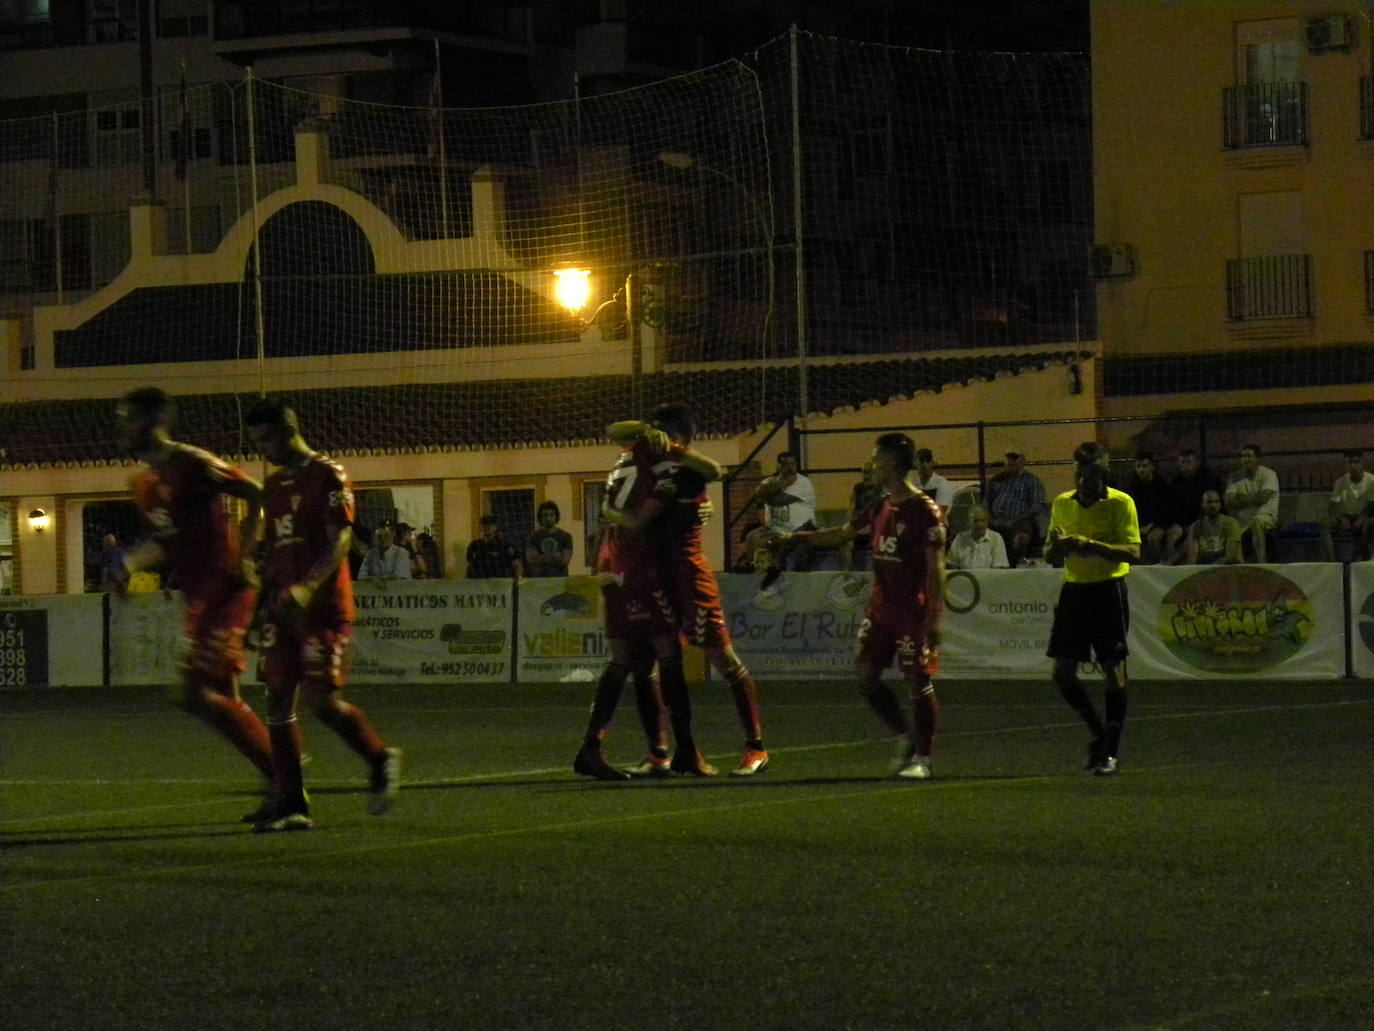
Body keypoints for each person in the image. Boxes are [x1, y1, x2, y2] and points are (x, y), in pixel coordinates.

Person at [244, 398, 400, 832]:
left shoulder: (327, 474)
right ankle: (293, 803)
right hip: (283, 609)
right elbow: (275, 552)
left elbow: (340, 541)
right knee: (276, 699)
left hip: (323, 609)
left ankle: (379, 756)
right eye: (256, 442)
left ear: (290, 428)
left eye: (267, 438)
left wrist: (309, 587)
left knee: (322, 702)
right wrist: (260, 609)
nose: (263, 449)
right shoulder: (273, 487)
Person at [114, 387, 274, 787]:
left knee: (191, 693)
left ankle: (285, 773)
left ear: (155, 422)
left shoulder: (193, 462)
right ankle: (282, 779)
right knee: (225, 695)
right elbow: (166, 541)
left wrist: (247, 552)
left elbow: (255, 493)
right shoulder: (144, 484)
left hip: (226, 592)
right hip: (199, 598)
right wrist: (129, 562)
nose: (122, 426)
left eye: (128, 418)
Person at [765, 432, 945, 778]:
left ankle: (924, 759)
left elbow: (937, 569)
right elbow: (843, 533)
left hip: (912, 610)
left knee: (917, 682)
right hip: (881, 608)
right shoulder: (879, 504)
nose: (871, 465)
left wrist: (934, 619)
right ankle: (905, 737)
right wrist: (793, 537)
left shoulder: (925, 511)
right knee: (864, 678)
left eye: (877, 459)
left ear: (892, 464)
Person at [605, 403, 769, 777]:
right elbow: (614, 429)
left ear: (679, 438)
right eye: (654, 431)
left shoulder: (687, 470)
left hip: (689, 575)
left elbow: (713, 471)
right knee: (650, 661)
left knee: (722, 658)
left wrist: (615, 515)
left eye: (664, 432)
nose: (656, 438)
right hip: (652, 574)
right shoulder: (645, 466)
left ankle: (756, 747)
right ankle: (662, 751)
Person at [1043, 441, 1140, 776]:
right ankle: (1099, 733)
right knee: (1062, 673)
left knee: (1114, 671)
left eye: (1099, 476)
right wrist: (1058, 547)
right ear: (1077, 475)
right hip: (1075, 591)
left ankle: (1111, 751)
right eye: (1086, 476)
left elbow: (1133, 552)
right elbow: (1049, 556)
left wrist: (1091, 545)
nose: (1092, 482)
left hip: (1108, 591)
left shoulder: (1121, 503)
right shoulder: (1062, 504)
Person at [749, 450, 818, 577]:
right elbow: (758, 492)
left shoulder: (803, 483)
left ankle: (791, 577)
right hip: (774, 530)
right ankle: (757, 576)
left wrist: (767, 494)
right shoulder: (770, 480)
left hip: (798, 530)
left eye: (792, 464)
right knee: (751, 537)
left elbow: (777, 501)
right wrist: (784, 483)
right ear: (779, 466)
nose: (790, 468)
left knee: (794, 545)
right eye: (785, 464)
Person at [984, 451, 1047, 567]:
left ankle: (1017, 564)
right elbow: (986, 503)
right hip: (996, 521)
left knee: (1021, 538)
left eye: (1014, 458)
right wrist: (991, 520)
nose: (1010, 462)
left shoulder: (1031, 481)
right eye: (1008, 458)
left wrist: (1014, 520)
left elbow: (1037, 506)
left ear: (1022, 461)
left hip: (1020, 522)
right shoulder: (996, 481)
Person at [1223, 443, 1279, 563]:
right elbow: (1229, 502)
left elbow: (1263, 498)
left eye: (1249, 456)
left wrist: (1240, 498)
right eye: (1243, 456)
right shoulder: (1234, 476)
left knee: (1256, 522)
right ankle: (1238, 563)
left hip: (1265, 516)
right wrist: (1253, 498)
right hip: (1240, 519)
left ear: (1258, 458)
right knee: (1230, 525)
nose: (1245, 460)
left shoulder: (1268, 474)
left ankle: (1261, 562)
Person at [1124, 452, 1183, 564]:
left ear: (1152, 467)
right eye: (1138, 466)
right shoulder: (1132, 487)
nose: (1141, 470)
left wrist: (1151, 525)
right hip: (1140, 523)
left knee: (1153, 538)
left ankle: (1159, 563)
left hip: (1160, 522)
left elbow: (1165, 511)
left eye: (1144, 466)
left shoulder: (1162, 486)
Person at [1322, 450, 1374, 561]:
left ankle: (1365, 557)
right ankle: (1332, 562)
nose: (1353, 466)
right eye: (1350, 463)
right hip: (1347, 516)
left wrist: (1362, 518)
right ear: (1345, 465)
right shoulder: (1340, 482)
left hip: (1365, 517)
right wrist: (1342, 519)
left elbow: (1372, 505)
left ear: (1362, 464)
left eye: (1357, 462)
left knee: (1369, 524)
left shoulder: (1371, 480)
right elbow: (1333, 505)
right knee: (1324, 523)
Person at [843, 460, 883, 571]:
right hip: (860, 527)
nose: (866, 476)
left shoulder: (880, 489)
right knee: (845, 541)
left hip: (874, 528)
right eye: (864, 472)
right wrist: (848, 525)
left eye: (869, 472)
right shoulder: (858, 488)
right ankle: (848, 573)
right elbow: (851, 508)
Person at [1185, 490, 1242, 565]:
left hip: (1228, 568)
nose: (1213, 505)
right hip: (1204, 568)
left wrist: (1209, 569)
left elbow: (1230, 556)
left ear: (1220, 505)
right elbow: (1192, 557)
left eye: (1216, 502)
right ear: (1202, 505)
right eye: (1209, 502)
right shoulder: (1196, 526)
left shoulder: (1231, 523)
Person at [947, 504, 1009, 569]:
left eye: (982, 520)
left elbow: (1000, 567)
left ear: (987, 522)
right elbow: (951, 564)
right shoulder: (960, 538)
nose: (979, 524)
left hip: (988, 578)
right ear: (969, 522)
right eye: (975, 521)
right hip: (965, 578)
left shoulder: (996, 538)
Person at [525, 500, 574, 577]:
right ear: (540, 517)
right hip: (539, 581)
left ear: (556, 516)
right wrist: (555, 557)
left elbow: (565, 561)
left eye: (551, 515)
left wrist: (541, 557)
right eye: (545, 515)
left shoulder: (565, 536)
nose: (548, 518)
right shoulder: (533, 537)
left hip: (560, 580)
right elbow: (532, 560)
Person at [914, 448, 955, 516]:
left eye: (928, 461)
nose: (925, 464)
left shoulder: (941, 483)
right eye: (922, 461)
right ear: (916, 464)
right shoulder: (914, 484)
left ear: (933, 463)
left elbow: (942, 509)